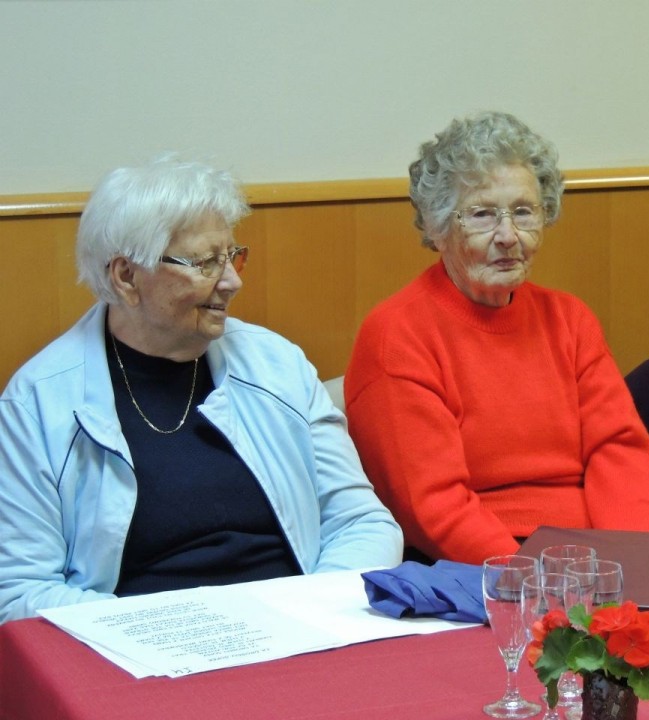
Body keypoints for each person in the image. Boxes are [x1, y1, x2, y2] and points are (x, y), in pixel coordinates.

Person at [0, 156, 402, 623]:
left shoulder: (277, 365)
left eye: (232, 256)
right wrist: (171, 632)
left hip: (301, 626)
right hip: (137, 646)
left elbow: (362, 523)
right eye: (206, 263)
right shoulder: (37, 404)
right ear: (126, 276)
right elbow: (21, 591)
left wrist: (309, 614)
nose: (232, 281)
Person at [345, 111, 649, 565]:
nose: (508, 236)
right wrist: (529, 582)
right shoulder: (397, 334)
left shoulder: (569, 319)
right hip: (486, 566)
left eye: (523, 212)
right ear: (438, 227)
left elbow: (619, 451)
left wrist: (636, 564)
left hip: (596, 557)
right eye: (482, 215)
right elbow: (431, 505)